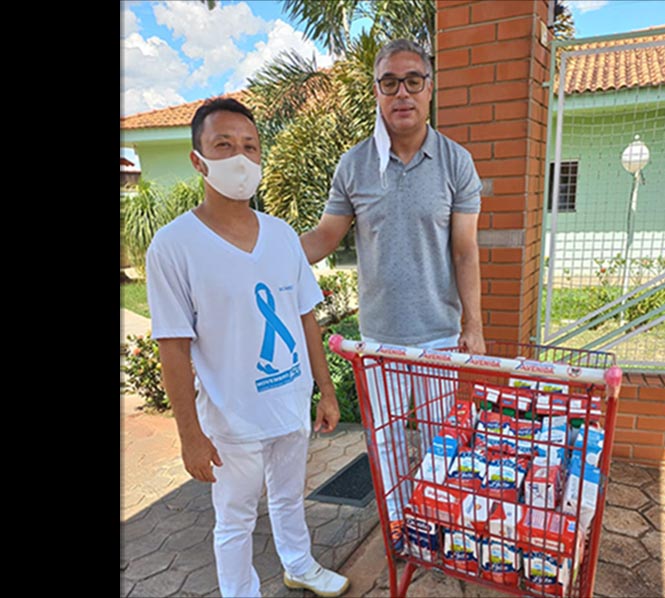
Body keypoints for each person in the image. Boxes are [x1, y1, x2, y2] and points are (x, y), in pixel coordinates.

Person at [146, 97, 350, 598]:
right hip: (231, 419)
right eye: (224, 145)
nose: (240, 157)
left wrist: (324, 390)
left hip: (288, 404)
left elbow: (305, 314)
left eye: (249, 146)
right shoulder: (174, 247)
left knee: (287, 498)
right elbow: (173, 347)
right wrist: (189, 436)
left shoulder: (282, 237)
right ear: (199, 160)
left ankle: (299, 564)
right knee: (234, 519)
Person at [300, 39, 486, 548]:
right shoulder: (354, 165)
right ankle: (400, 531)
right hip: (377, 339)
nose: (401, 92)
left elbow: (465, 251)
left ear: (429, 88)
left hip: (438, 336)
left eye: (412, 81)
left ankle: (439, 528)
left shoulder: (455, 162)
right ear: (377, 92)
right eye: (389, 83)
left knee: (437, 442)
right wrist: (264, 252)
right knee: (383, 446)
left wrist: (473, 325)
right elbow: (325, 236)